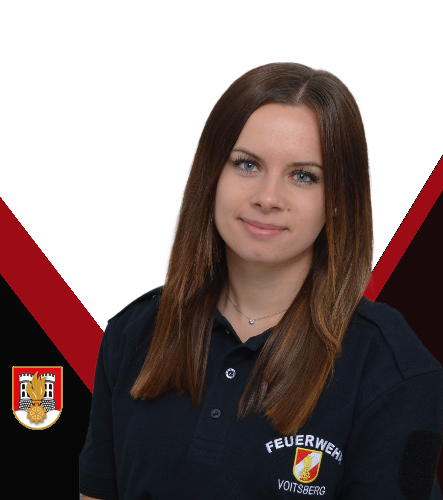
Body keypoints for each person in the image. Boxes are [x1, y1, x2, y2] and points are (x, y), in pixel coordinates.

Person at [79, 62, 443, 499]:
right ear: (212, 176)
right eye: (247, 164)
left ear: (338, 201)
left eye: (303, 176)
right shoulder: (133, 334)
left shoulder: (395, 369)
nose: (268, 198)